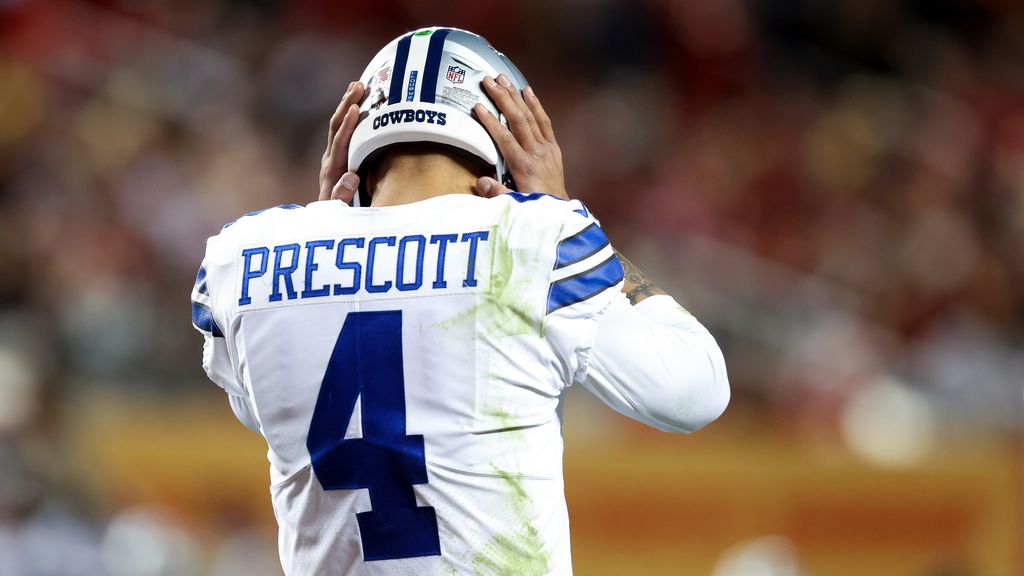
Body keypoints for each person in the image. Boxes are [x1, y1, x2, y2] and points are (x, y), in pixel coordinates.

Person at [192, 26, 728, 576]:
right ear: (505, 148)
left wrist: (327, 227)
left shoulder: (242, 255)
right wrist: (566, 214)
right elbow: (697, 391)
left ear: (355, 144)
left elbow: (269, 408)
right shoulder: (534, 237)